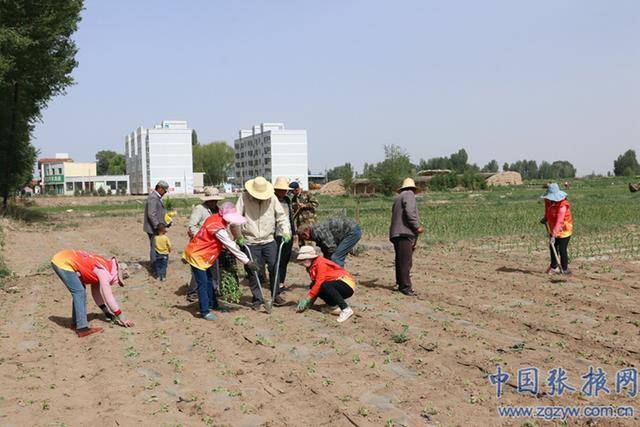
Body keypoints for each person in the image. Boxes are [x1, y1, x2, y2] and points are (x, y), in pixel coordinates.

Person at [183, 202, 259, 320]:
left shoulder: (214, 218)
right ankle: (204, 311)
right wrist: (247, 262)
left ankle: (213, 304)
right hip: (197, 255)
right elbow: (230, 245)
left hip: (205, 255)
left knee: (209, 280)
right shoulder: (217, 227)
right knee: (203, 283)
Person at [234, 176, 291, 310]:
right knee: (254, 270)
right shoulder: (244, 198)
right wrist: (238, 236)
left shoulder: (272, 198)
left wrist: (286, 231)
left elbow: (281, 216)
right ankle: (257, 299)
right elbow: (235, 218)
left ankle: (275, 295)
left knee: (274, 266)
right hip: (250, 241)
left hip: (268, 240)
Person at [51, 249, 134, 337]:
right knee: (79, 292)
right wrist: (122, 317)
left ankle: (75, 324)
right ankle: (82, 329)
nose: (116, 282)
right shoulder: (104, 272)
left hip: (61, 260)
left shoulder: (104, 264)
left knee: (79, 291)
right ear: (116, 273)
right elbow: (108, 296)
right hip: (63, 263)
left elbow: (96, 293)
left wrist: (107, 312)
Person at [295, 246, 356, 323]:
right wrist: (309, 304)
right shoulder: (311, 267)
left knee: (323, 284)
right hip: (337, 284)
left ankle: (346, 309)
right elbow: (315, 286)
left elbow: (319, 282)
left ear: (311, 257)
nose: (303, 262)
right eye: (302, 260)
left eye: (305, 259)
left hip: (347, 284)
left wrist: (307, 299)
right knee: (313, 285)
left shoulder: (320, 263)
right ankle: (333, 306)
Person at [185, 188, 225, 301]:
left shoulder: (218, 210)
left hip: (214, 245)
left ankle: (213, 291)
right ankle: (193, 292)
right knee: (199, 268)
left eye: (215, 200)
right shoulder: (200, 209)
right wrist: (203, 237)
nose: (213, 202)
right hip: (200, 245)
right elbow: (192, 226)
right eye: (211, 200)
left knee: (214, 268)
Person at [389, 177, 425, 296]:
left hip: (396, 233)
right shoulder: (409, 194)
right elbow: (410, 212)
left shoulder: (398, 198)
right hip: (404, 232)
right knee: (405, 261)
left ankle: (401, 284)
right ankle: (406, 287)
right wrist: (416, 226)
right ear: (413, 189)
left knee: (400, 260)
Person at [297, 217, 362, 267]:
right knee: (331, 259)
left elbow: (331, 247)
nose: (305, 240)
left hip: (352, 232)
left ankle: (339, 279)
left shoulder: (318, 232)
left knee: (336, 258)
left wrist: (328, 262)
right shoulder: (314, 233)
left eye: (303, 237)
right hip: (348, 232)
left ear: (306, 232)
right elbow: (325, 249)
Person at [541, 183, 573, 274]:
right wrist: (546, 217)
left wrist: (553, 236)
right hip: (553, 227)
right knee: (553, 247)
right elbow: (547, 209)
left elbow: (560, 221)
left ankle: (564, 268)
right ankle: (554, 267)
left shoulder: (563, 206)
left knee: (562, 249)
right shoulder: (548, 201)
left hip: (565, 230)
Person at [274, 176, 296, 290]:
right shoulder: (272, 199)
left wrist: (294, 232)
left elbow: (290, 217)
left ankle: (281, 282)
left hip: (288, 233)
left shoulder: (287, 200)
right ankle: (276, 282)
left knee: (285, 259)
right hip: (276, 234)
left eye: (285, 190)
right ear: (276, 189)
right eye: (281, 190)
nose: (283, 192)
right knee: (277, 259)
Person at [143, 181, 169, 272]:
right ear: (160, 188)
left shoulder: (156, 197)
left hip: (157, 227)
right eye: (165, 191)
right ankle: (155, 268)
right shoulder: (153, 197)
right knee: (155, 248)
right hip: (153, 228)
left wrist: (166, 221)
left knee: (156, 246)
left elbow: (157, 212)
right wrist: (158, 226)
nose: (165, 193)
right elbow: (151, 214)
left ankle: (156, 266)